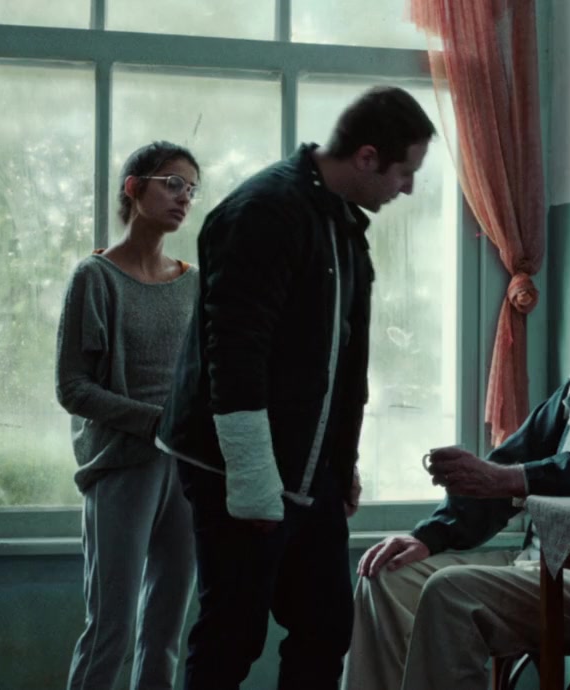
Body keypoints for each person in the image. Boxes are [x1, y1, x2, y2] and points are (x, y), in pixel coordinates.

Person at [154, 86, 436, 690]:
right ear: (367, 157)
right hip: (236, 466)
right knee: (233, 633)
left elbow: (343, 362)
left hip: (310, 470)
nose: (409, 188)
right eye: (405, 172)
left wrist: (342, 461)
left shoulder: (342, 224)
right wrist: (254, 482)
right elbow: (235, 351)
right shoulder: (264, 209)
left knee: (326, 625)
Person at [344, 245, 570, 690]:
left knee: (451, 592)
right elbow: (508, 464)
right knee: (387, 576)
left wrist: (512, 479)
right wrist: (428, 537)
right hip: (542, 562)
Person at [55, 141, 202, 690]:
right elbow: (72, 388)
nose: (184, 197)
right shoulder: (94, 277)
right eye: (172, 183)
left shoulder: (192, 281)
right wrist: (156, 422)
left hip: (186, 472)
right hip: (121, 467)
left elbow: (204, 376)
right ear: (134, 188)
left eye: (191, 188)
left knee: (164, 634)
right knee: (110, 630)